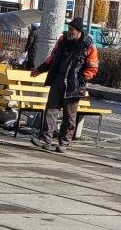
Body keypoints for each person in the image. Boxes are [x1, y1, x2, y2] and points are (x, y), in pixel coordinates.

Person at [30, 16, 99, 153]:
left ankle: (64, 143)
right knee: (51, 110)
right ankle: (46, 140)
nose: (69, 31)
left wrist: (81, 80)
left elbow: (93, 68)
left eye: (72, 29)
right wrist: (40, 69)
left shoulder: (88, 45)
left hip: (73, 86)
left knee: (69, 116)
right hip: (57, 81)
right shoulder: (63, 40)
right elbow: (52, 58)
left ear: (79, 31)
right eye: (69, 28)